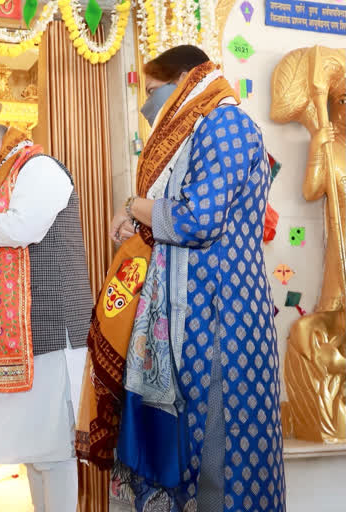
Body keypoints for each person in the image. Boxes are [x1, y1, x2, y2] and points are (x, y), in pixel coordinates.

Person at [98, 45, 285, 511]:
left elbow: (196, 221)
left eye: (155, 90)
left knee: (219, 461)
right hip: (195, 314)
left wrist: (132, 206)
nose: (149, 105)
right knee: (191, 458)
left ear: (185, 81)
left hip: (221, 320)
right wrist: (141, 220)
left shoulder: (226, 125)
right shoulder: (202, 129)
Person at [0, 121, 94, 512]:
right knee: (35, 453)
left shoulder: (39, 168)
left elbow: (25, 227)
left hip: (55, 331)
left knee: (55, 452)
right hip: (22, 335)